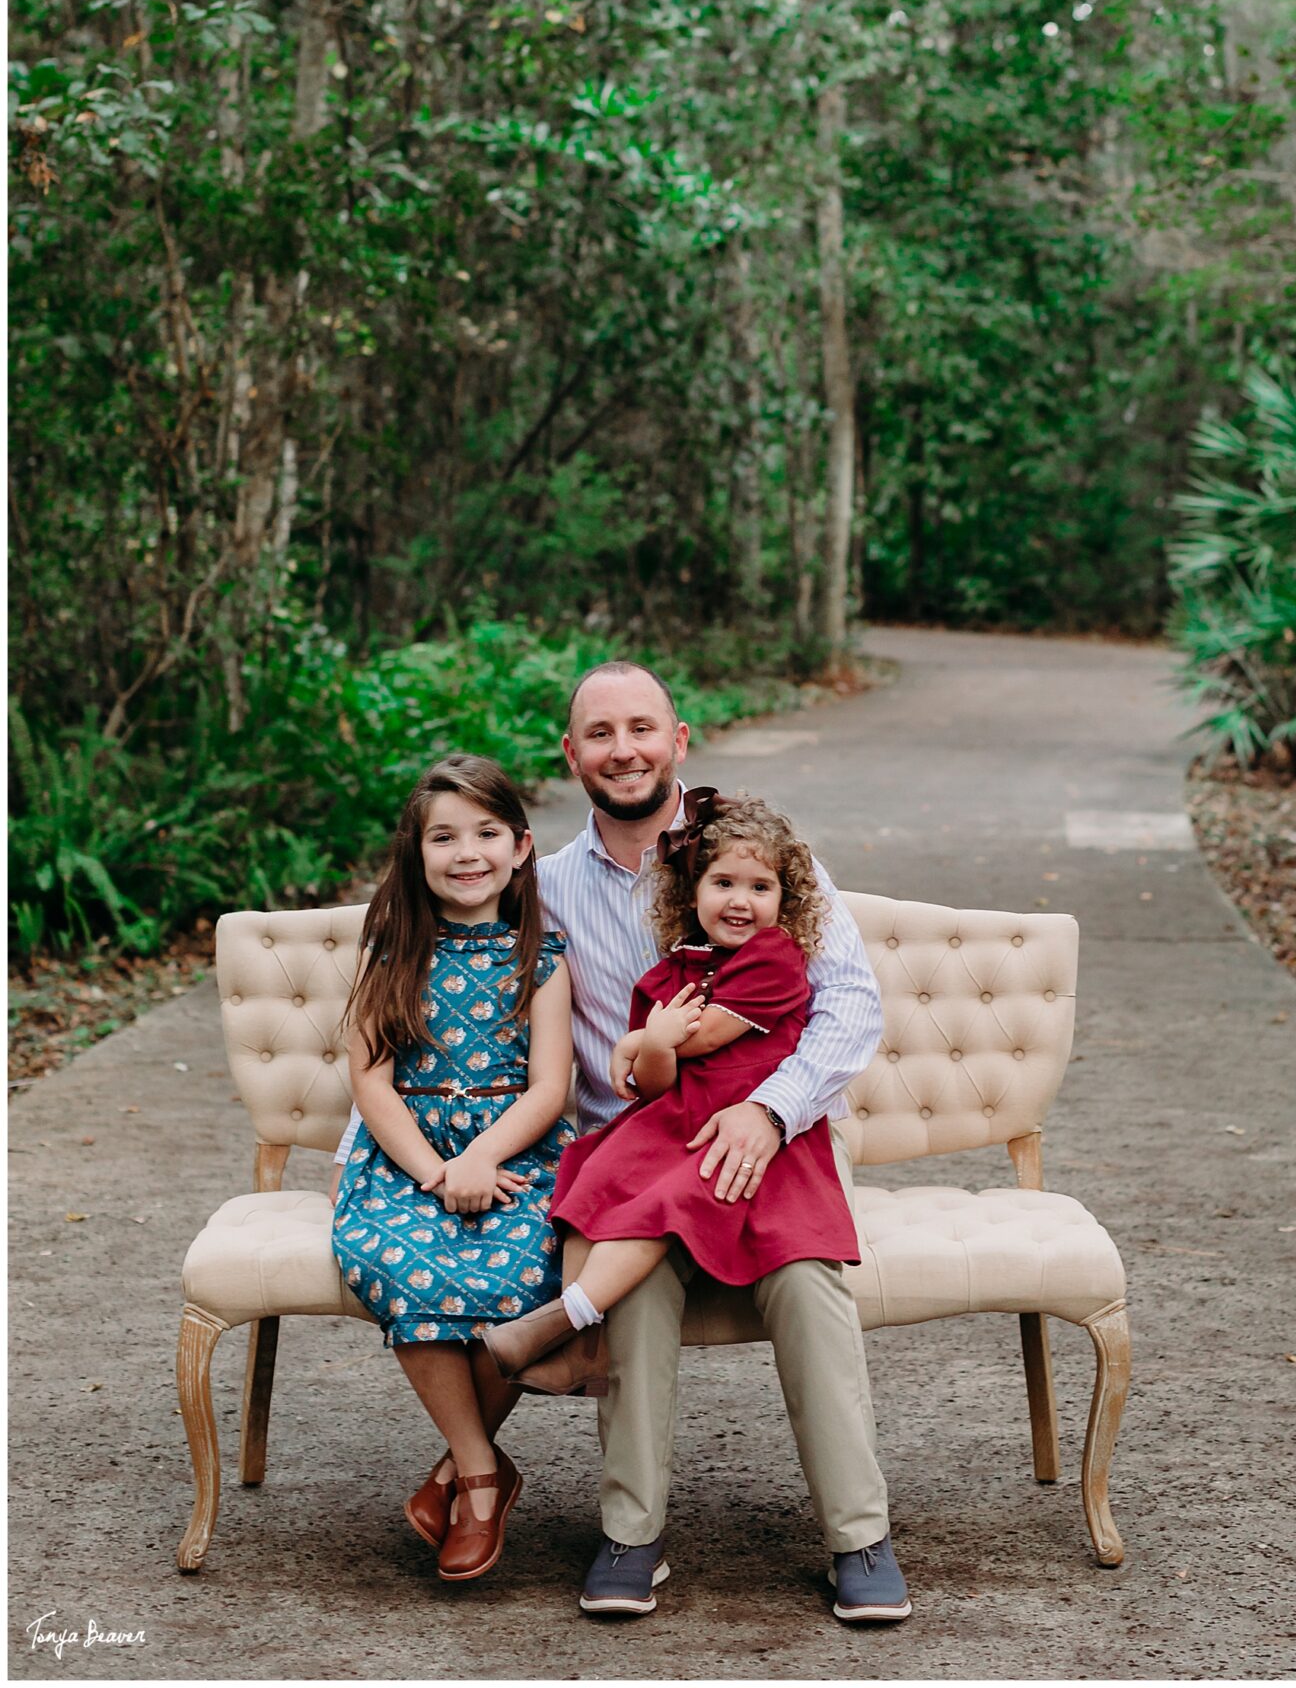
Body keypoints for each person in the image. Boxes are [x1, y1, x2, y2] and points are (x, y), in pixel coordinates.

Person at [332, 660, 908, 1623]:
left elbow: (849, 1005)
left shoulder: (756, 863)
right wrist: (403, 1153)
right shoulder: (541, 888)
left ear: (679, 741)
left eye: (643, 728)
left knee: (806, 1281)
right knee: (631, 1293)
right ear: (572, 756)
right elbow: (437, 976)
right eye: (599, 734)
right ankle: (629, 1534)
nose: (623, 749)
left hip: (775, 1128)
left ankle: (861, 1537)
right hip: (635, 1146)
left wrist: (770, 1111)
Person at [479, 793, 863, 1391]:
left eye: (760, 888)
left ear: (786, 901)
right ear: (693, 892)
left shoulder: (774, 960)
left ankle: (566, 1317)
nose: (740, 900)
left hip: (722, 1123)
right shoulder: (680, 965)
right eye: (724, 883)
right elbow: (649, 1083)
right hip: (669, 1115)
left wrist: (641, 1041)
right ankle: (587, 1346)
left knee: (659, 1206)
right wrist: (648, 1049)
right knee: (589, 1178)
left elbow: (703, 1037)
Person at [332, 752, 575, 1583]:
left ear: (521, 848)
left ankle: (455, 1475)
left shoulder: (542, 952)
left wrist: (481, 1156)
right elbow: (368, 1077)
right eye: (444, 836)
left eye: (485, 833)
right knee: (400, 1261)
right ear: (417, 851)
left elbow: (551, 1086)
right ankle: (480, 1473)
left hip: (515, 1154)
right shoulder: (392, 943)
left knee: (526, 1268)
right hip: (407, 1157)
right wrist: (437, 1172)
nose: (465, 852)